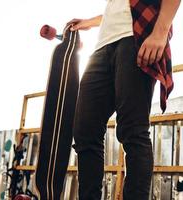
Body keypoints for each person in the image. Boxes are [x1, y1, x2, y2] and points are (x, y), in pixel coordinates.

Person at [68, 0, 181, 199]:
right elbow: (121, 8)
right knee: (85, 131)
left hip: (136, 38)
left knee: (133, 131)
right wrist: (88, 22)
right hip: (103, 45)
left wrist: (160, 32)